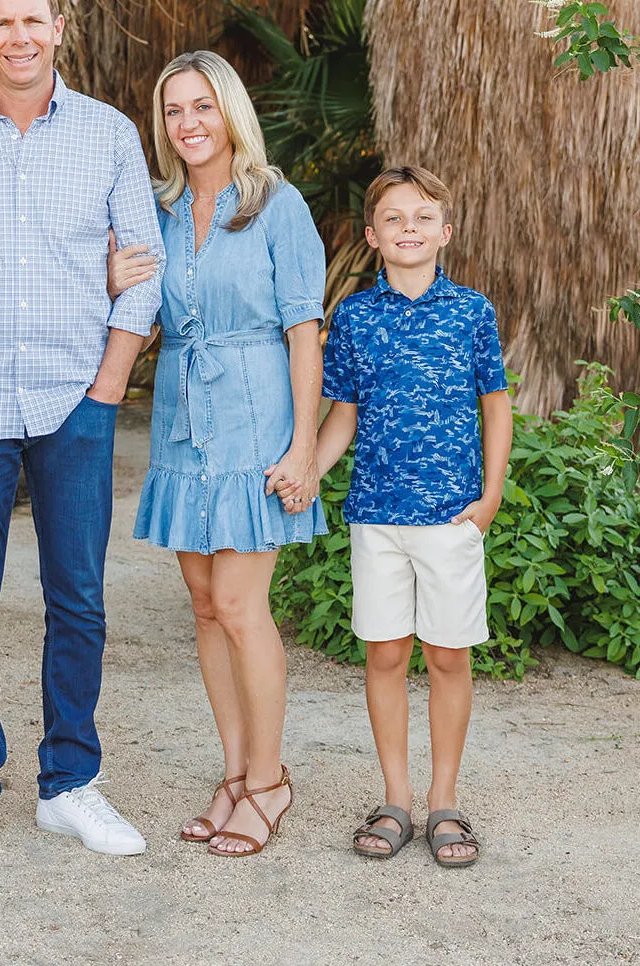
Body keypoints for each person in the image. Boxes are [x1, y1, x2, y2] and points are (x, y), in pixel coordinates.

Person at [0, 0, 164, 863]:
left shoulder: (107, 134)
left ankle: (69, 782)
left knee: (80, 597)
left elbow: (144, 266)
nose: (17, 36)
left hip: (74, 400)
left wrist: (107, 388)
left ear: (59, 27)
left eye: (33, 20)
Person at [115, 50, 326, 858]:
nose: (188, 123)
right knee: (204, 608)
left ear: (229, 111)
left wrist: (302, 444)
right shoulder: (159, 210)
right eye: (174, 111)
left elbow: (303, 330)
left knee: (241, 606)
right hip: (180, 417)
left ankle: (269, 782)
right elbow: (135, 298)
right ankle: (235, 772)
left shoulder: (278, 204)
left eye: (202, 106)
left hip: (255, 417)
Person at [316, 166, 513, 866]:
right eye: (394, 219)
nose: (408, 228)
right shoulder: (354, 317)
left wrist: (487, 498)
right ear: (372, 237)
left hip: (451, 517)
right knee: (386, 653)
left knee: (447, 655)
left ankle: (443, 802)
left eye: (422, 217)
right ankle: (395, 799)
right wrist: (309, 469)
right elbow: (342, 413)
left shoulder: (470, 312)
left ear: (444, 231)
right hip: (375, 514)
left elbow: (495, 405)